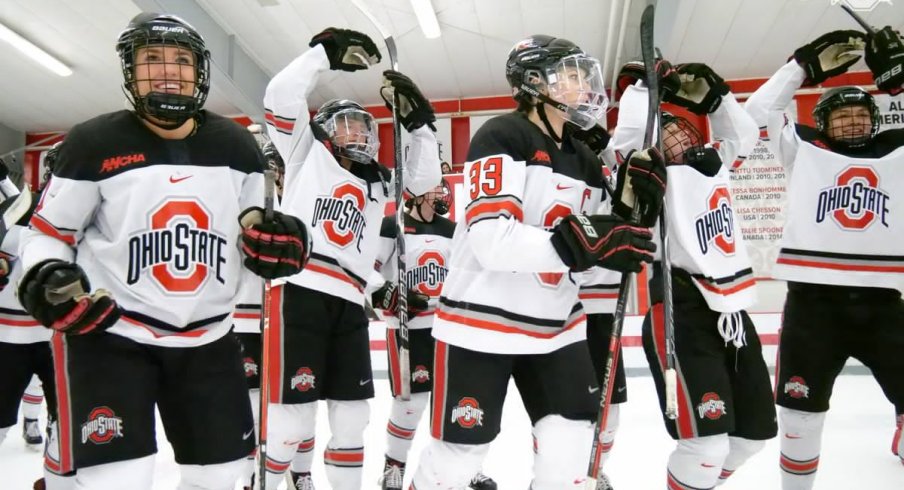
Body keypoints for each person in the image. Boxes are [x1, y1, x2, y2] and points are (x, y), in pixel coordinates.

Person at [17, 12, 308, 490]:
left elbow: (260, 235)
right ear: (131, 70)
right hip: (113, 335)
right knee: (117, 479)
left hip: (208, 339)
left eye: (181, 59)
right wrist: (47, 270)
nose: (168, 69)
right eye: (152, 58)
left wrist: (290, 246)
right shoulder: (91, 143)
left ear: (200, 70)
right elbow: (47, 231)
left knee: (221, 477)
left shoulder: (239, 147)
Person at [410, 34, 665, 489]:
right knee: (457, 461)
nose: (583, 86)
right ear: (533, 82)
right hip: (479, 324)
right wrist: (584, 241)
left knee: (569, 452)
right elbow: (492, 241)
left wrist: (628, 215)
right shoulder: (502, 134)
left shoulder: (586, 159)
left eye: (583, 76)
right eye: (569, 76)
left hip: (555, 327)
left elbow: (590, 257)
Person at [262, 27, 441, 490]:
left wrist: (420, 125)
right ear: (325, 130)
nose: (359, 133)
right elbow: (280, 95)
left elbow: (423, 181)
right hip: (298, 293)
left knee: (352, 416)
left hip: (349, 304)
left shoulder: (377, 184)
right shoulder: (305, 155)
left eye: (365, 127)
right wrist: (320, 55)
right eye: (348, 125)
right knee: (290, 422)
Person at [745, 29, 904, 489]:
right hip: (813, 308)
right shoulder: (802, 147)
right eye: (843, 116)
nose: (853, 123)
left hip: (883, 304)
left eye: (861, 115)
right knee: (800, 415)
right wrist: (800, 67)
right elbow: (755, 113)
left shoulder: (897, 149)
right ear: (822, 121)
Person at [616, 60, 778, 489]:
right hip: (678, 303)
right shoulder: (640, 182)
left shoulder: (713, 167)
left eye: (681, 134)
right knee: (705, 446)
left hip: (731, 311)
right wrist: (640, 91)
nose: (675, 142)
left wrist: (718, 96)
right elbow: (627, 143)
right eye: (664, 138)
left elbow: (742, 135)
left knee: (752, 438)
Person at [369, 181, 496, 490]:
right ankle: (393, 466)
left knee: (457, 401)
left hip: (447, 328)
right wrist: (385, 292)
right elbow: (367, 270)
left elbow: (466, 274)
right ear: (417, 192)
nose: (442, 194)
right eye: (436, 188)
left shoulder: (452, 229)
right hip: (408, 329)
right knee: (410, 405)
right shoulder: (392, 226)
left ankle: (465, 466)